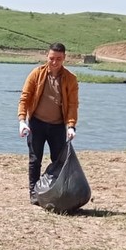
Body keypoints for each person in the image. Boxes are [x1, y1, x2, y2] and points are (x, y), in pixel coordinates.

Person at [17, 42, 79, 205]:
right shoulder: (36, 74)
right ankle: (34, 193)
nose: (54, 62)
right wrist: (22, 121)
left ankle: (54, 189)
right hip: (36, 123)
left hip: (58, 126)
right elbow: (25, 98)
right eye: (52, 58)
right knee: (35, 159)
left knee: (58, 160)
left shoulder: (71, 79)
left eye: (58, 58)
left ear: (64, 58)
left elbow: (73, 104)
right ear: (47, 56)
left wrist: (71, 125)